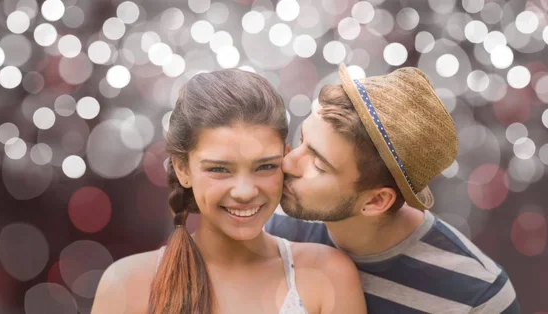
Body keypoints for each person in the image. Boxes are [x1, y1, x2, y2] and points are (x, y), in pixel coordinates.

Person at [91, 69, 367, 314]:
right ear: (183, 168)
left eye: (265, 166)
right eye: (219, 170)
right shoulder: (126, 285)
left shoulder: (328, 274)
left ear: (285, 156)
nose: (245, 191)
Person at [266, 64, 520, 313]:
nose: (287, 163)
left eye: (319, 164)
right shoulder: (272, 224)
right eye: (301, 140)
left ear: (376, 201)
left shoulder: (479, 297)